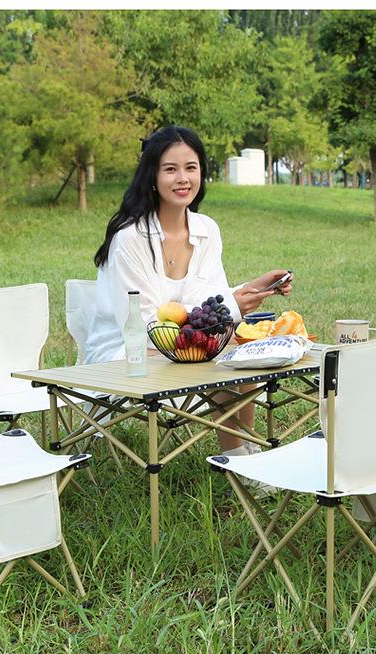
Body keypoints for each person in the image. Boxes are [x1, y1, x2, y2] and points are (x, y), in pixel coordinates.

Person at [85, 125, 293, 475]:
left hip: (180, 346)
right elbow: (147, 328)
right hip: (127, 352)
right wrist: (230, 307)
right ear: (152, 176)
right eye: (170, 169)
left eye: (191, 168)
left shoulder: (206, 229)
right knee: (222, 358)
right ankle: (241, 461)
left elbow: (207, 303)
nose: (183, 178)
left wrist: (250, 290)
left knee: (239, 352)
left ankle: (247, 452)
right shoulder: (130, 239)